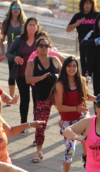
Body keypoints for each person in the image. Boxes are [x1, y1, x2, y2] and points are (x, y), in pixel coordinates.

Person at [54, 55, 94, 172]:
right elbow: (59, 106)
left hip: (81, 116)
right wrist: (75, 108)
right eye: (69, 66)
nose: (72, 68)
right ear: (65, 67)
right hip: (68, 120)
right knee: (70, 149)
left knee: (89, 133)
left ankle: (86, 156)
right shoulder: (60, 85)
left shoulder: (82, 80)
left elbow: (86, 96)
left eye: (74, 66)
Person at [25, 34, 61, 163]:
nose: (44, 48)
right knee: (40, 125)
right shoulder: (32, 63)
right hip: (42, 97)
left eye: (46, 46)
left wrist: (56, 77)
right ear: (37, 48)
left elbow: (65, 76)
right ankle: (39, 151)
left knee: (70, 116)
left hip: (57, 96)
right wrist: (41, 78)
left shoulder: (55, 60)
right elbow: (28, 79)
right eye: (41, 45)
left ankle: (64, 127)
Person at [6, 17, 40, 124]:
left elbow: (49, 52)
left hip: (36, 76)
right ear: (26, 27)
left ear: (37, 27)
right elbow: (8, 53)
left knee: (37, 101)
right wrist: (15, 58)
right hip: (22, 75)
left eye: (34, 25)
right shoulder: (19, 39)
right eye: (30, 25)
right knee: (25, 100)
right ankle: (24, 123)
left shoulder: (40, 40)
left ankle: (36, 123)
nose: (32, 27)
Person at [0, 0, 25, 99]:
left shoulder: (24, 22)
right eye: (14, 8)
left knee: (22, 76)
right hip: (11, 54)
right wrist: (2, 51)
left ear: (20, 9)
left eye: (18, 8)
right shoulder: (6, 22)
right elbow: (2, 38)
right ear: (10, 9)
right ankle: (11, 95)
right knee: (12, 75)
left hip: (22, 53)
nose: (16, 10)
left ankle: (23, 95)